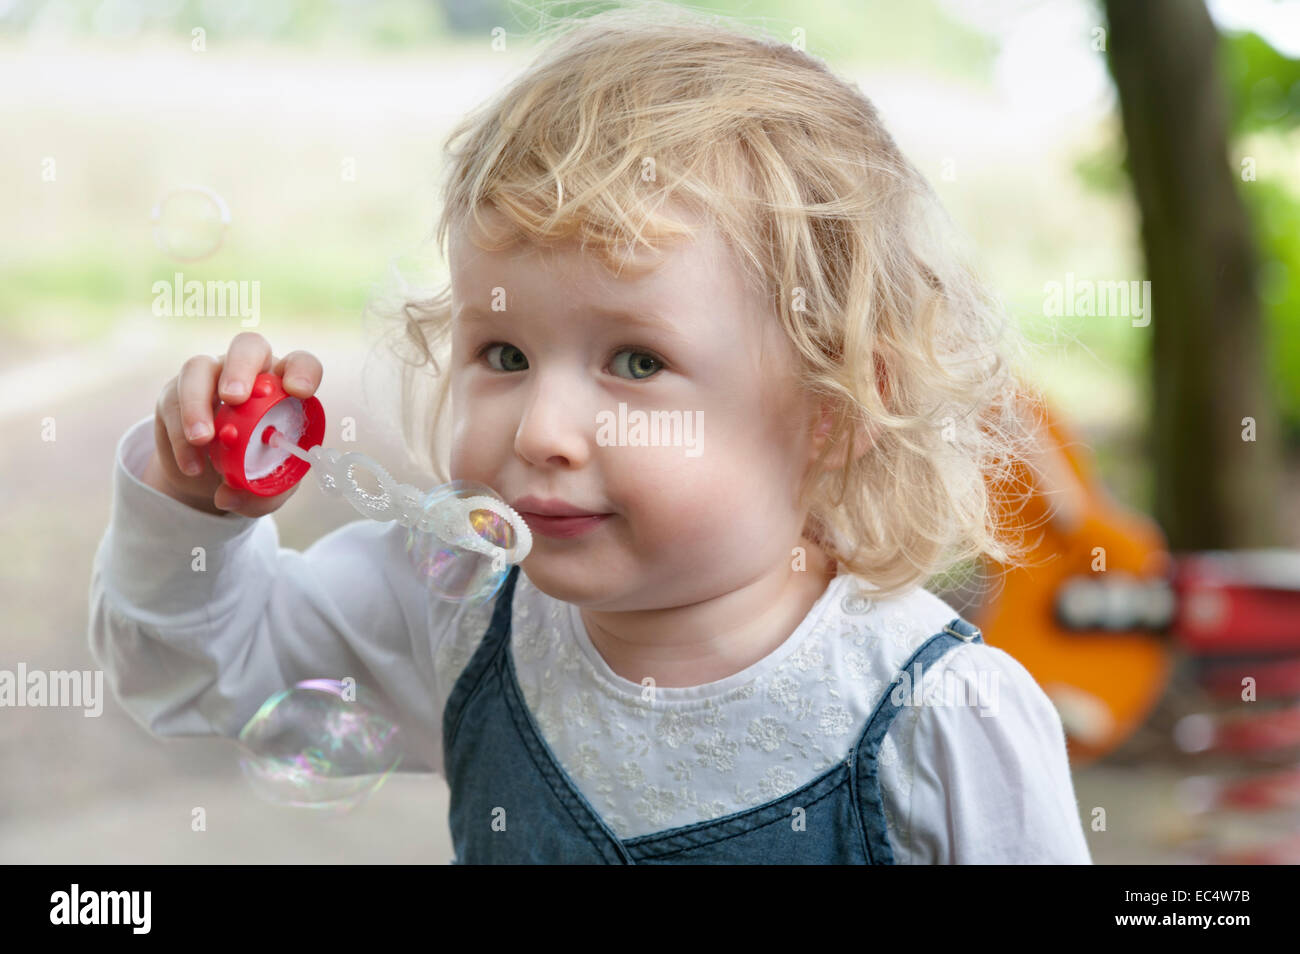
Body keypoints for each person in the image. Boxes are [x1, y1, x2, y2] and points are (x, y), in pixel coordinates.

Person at [89, 2, 1091, 864]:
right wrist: (192, 516)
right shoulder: (461, 612)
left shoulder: (944, 722)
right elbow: (194, 670)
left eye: (636, 362)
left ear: (832, 412)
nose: (542, 429)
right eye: (504, 355)